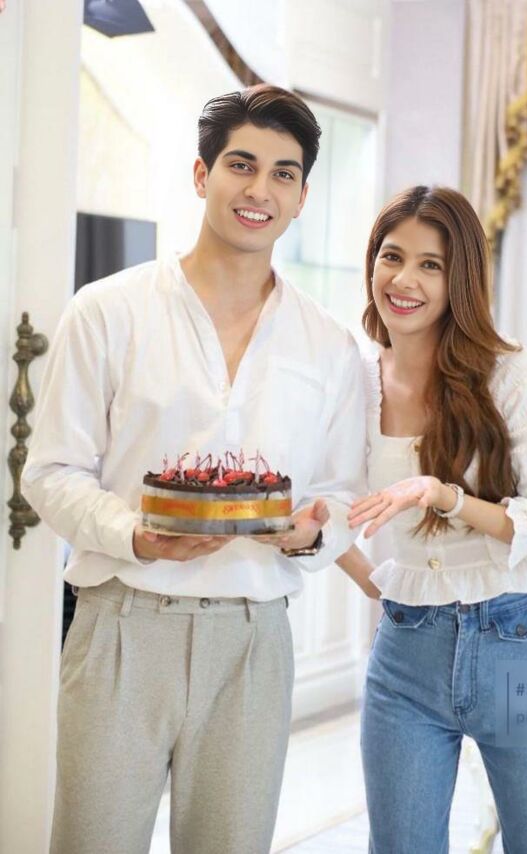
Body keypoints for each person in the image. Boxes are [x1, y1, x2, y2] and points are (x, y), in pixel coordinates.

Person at [22, 85, 366, 854]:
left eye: (283, 174)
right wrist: (136, 535)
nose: (259, 189)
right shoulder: (107, 311)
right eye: (241, 165)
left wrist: (312, 533)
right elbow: (51, 472)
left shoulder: (329, 345)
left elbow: (342, 493)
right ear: (202, 174)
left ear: (302, 197)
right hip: (122, 626)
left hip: (253, 639)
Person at [336, 186, 527, 853]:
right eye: (392, 257)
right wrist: (370, 578)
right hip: (405, 654)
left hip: (515, 644)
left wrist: (447, 498)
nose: (404, 280)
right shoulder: (356, 379)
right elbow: (330, 504)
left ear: (460, 280)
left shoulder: (508, 372)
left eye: (431, 265)